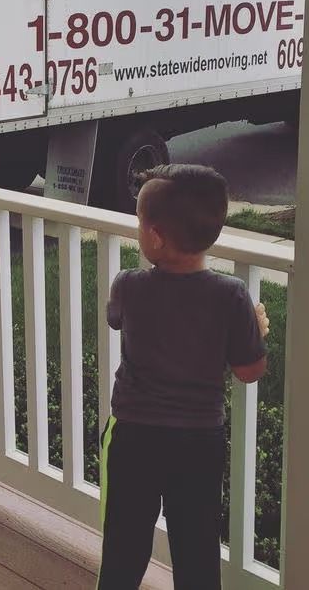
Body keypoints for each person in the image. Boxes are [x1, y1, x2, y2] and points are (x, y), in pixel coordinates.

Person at [97, 164, 269, 590]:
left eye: (139, 222)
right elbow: (249, 371)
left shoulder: (128, 285)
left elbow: (114, 319)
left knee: (124, 543)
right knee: (196, 547)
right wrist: (256, 329)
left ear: (155, 237)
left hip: (134, 435)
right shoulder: (231, 296)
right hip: (197, 441)